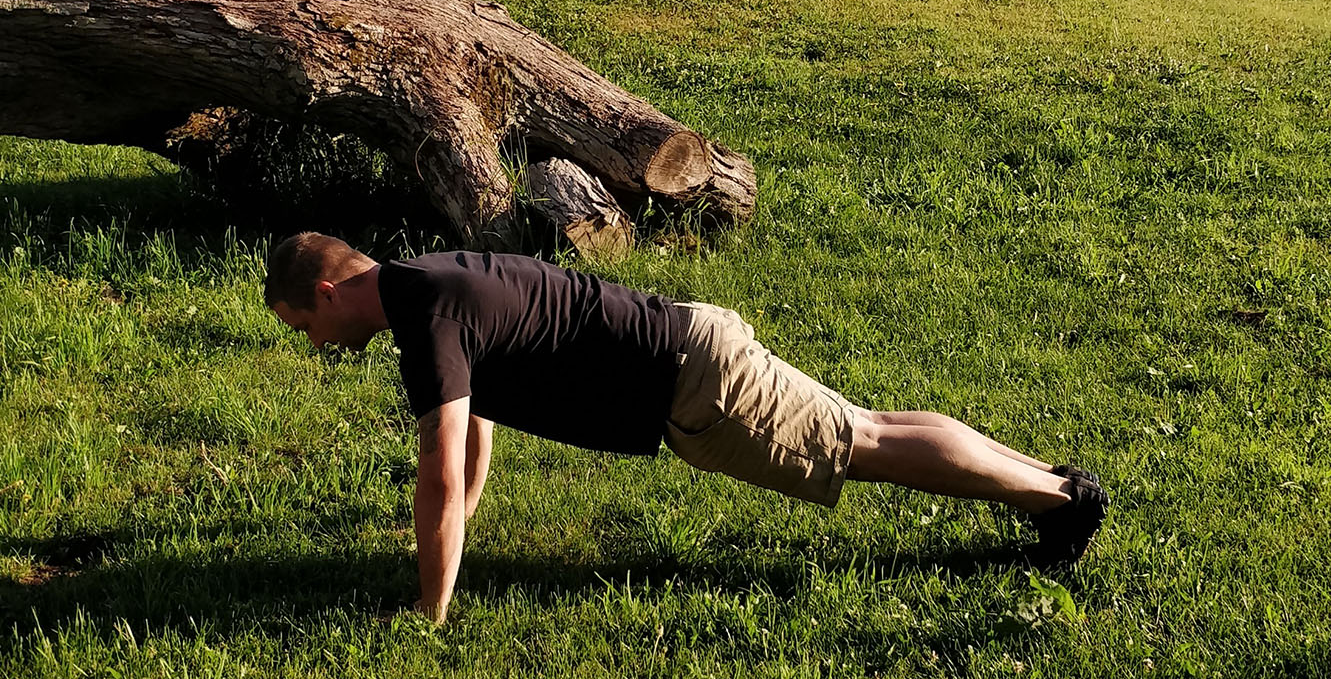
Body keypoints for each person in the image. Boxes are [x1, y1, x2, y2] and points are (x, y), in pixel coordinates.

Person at [265, 233, 1109, 624]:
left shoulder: (427, 322)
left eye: (303, 326)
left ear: (329, 292)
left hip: (695, 383)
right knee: (868, 426)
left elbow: (441, 473)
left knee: (864, 445)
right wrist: (464, 533)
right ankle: (1058, 487)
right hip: (687, 346)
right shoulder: (426, 281)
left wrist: (429, 608)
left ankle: (1056, 504)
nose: (314, 344)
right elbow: (478, 424)